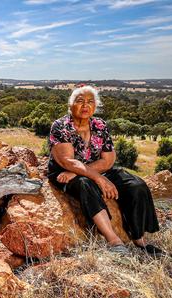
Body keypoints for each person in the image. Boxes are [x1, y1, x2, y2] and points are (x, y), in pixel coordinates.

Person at [47, 85, 164, 256]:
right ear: (70, 104)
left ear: (95, 106)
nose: (85, 105)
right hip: (64, 172)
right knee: (86, 184)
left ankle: (139, 239)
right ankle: (113, 240)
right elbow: (68, 161)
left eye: (90, 102)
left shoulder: (100, 125)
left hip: (88, 170)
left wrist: (86, 172)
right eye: (80, 101)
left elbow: (108, 160)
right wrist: (97, 178)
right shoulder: (60, 126)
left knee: (135, 185)